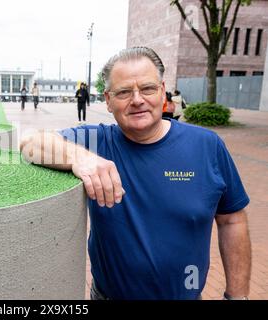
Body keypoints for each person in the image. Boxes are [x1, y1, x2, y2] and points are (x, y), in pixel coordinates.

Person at [20, 47, 251, 300]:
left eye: (148, 88)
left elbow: (232, 220)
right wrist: (79, 157)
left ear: (162, 92)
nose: (137, 99)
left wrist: (237, 296)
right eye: (124, 92)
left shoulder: (207, 146)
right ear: (108, 100)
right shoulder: (97, 142)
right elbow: (29, 144)